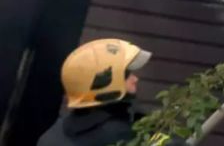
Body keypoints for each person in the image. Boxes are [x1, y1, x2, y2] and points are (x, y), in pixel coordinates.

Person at [37, 38, 178, 146]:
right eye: (127, 74)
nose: (135, 79)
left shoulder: (52, 136)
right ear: (104, 83)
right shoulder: (126, 134)